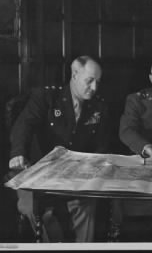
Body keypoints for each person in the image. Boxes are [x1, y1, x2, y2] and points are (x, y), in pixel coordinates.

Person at [9, 55, 109, 242]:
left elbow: (101, 145)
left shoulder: (99, 106)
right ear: (75, 74)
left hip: (76, 174)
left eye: (98, 82)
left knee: (86, 204)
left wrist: (93, 166)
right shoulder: (47, 97)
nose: (94, 88)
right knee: (40, 210)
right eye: (90, 81)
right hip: (37, 172)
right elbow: (24, 125)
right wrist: (18, 154)